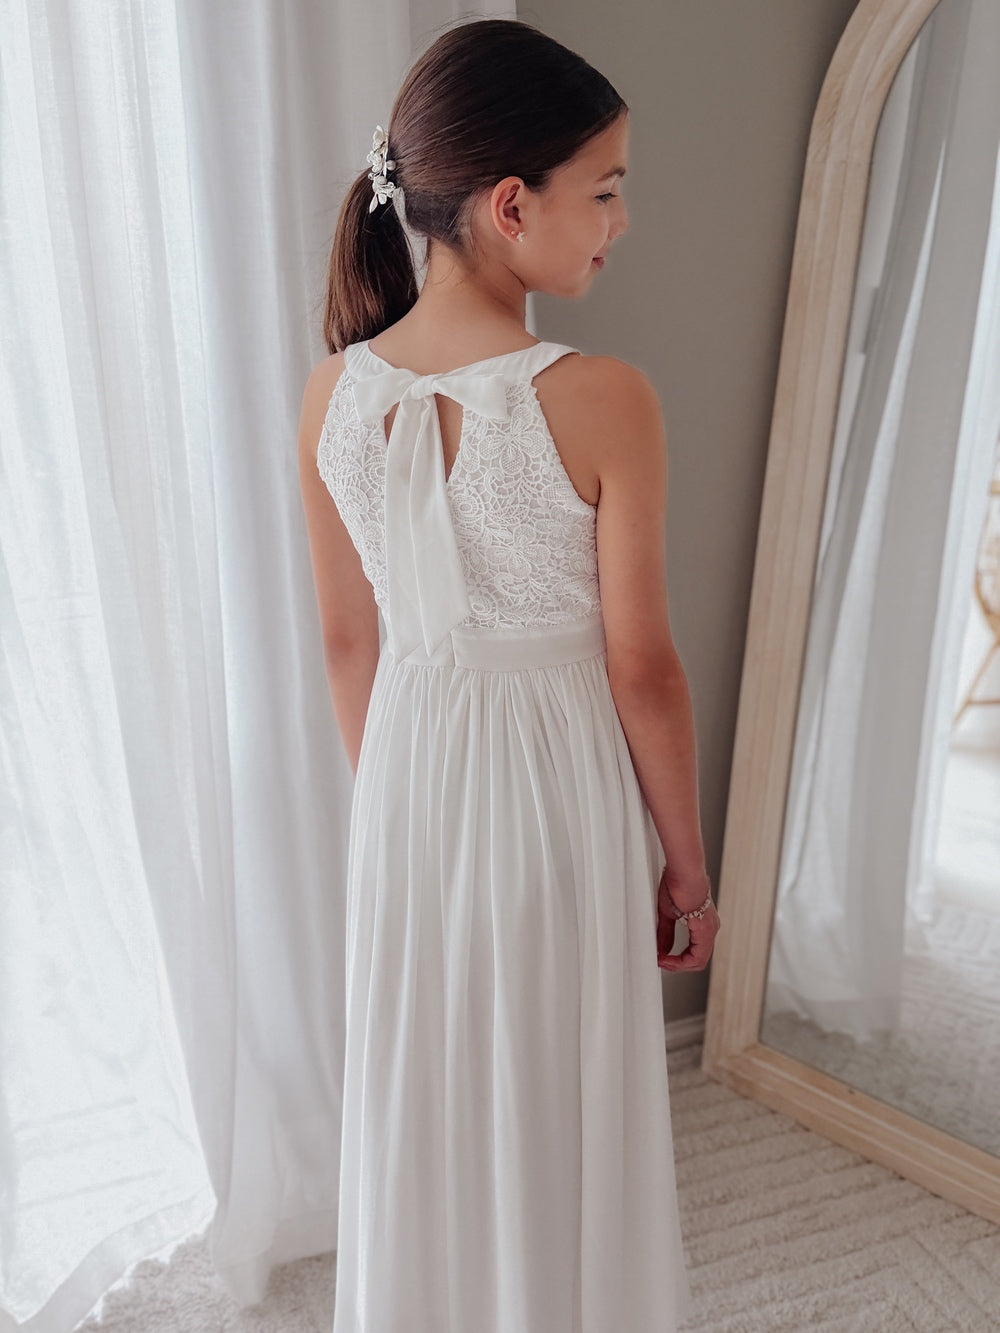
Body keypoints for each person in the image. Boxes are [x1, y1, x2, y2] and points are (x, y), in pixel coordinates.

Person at [297, 17, 720, 1332]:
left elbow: (348, 643)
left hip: (405, 781)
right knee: (555, 1088)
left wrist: (398, 804)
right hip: (551, 792)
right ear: (512, 204)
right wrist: (687, 865)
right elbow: (643, 667)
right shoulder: (603, 396)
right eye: (607, 190)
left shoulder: (330, 395)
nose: (621, 222)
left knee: (429, 1087)